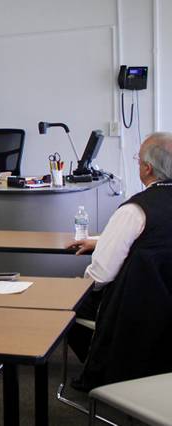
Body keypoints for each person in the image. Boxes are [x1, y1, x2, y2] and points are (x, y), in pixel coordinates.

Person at [66, 132, 172, 390]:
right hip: (165, 310)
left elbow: (100, 276)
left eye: (138, 159)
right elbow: (158, 244)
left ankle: (99, 372)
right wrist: (104, 241)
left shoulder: (134, 211)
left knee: (68, 302)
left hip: (134, 309)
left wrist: (80, 289)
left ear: (146, 168)